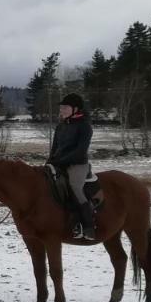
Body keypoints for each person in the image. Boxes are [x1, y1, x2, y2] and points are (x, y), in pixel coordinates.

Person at [47, 93, 94, 240]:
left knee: (74, 186)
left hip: (78, 164)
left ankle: (88, 226)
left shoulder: (85, 127)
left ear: (76, 109)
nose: (62, 110)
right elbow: (54, 149)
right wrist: (49, 163)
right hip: (59, 163)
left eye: (65, 107)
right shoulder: (60, 126)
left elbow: (80, 151)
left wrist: (61, 161)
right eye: (61, 107)